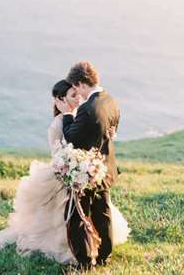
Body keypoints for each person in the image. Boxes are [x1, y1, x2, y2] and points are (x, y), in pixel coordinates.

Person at [0, 80, 79, 264]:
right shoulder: (57, 125)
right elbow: (57, 156)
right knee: (50, 222)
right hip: (62, 174)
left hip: (75, 172)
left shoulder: (76, 117)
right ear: (60, 101)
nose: (78, 98)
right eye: (73, 95)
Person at [55, 61, 129, 268]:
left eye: (76, 87)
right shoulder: (111, 100)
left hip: (87, 171)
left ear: (80, 83)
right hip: (105, 166)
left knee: (77, 214)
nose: (77, 93)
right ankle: (105, 255)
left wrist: (68, 114)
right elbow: (113, 129)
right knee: (102, 212)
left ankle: (85, 261)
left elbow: (71, 138)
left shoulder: (88, 109)